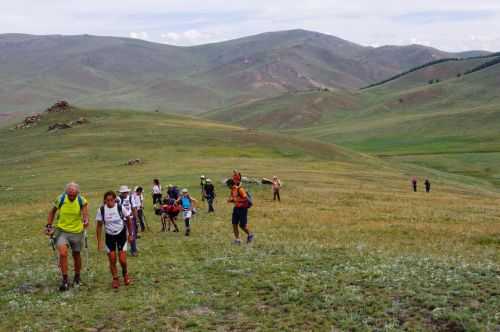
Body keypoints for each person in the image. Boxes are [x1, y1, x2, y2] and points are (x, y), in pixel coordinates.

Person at [45, 182, 89, 291]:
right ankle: (65, 280)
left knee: (76, 254)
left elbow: (85, 215)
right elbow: (52, 212)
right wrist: (49, 225)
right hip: (62, 231)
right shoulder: (60, 199)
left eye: (74, 195)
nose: (72, 197)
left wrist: (85, 220)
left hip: (77, 231)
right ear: (66, 193)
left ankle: (77, 276)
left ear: (77, 193)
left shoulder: (82, 201)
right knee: (63, 253)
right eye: (70, 195)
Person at [96, 191, 133, 289]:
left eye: (111, 200)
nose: (109, 202)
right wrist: (99, 242)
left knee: (122, 260)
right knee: (112, 259)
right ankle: (115, 278)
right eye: (107, 200)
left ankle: (125, 274)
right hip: (109, 236)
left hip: (121, 235)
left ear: (115, 199)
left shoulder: (120, 207)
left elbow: (128, 220)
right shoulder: (102, 210)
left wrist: (130, 234)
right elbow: (99, 226)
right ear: (104, 200)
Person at [228, 180, 254, 245]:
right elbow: (234, 198)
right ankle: (237, 240)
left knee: (242, 225)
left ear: (231, 184)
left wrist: (236, 200)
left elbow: (245, 198)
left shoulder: (240, 189)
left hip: (243, 209)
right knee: (234, 224)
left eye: (228, 185)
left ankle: (250, 234)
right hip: (236, 208)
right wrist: (231, 200)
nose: (227, 187)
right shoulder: (232, 190)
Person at [118, 186, 139, 256]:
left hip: (130, 218)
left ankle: (134, 250)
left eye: (126, 192)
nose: (125, 194)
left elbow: (134, 208)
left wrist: (136, 219)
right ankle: (122, 250)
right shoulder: (118, 199)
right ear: (121, 193)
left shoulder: (130, 198)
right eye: (123, 192)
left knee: (132, 234)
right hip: (121, 219)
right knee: (121, 235)